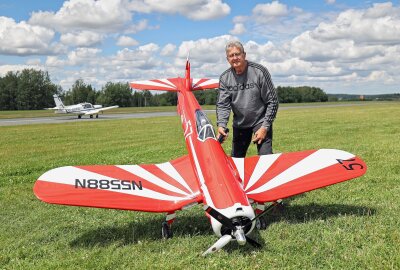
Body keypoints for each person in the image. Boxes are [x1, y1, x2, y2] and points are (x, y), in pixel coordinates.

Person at [216, 41, 279, 157]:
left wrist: (265, 127)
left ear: (244, 55)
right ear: (227, 59)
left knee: (266, 158)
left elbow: (273, 101)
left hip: (260, 120)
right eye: (231, 56)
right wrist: (221, 125)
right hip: (240, 123)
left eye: (237, 54)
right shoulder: (225, 78)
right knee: (236, 160)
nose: (235, 58)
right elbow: (223, 105)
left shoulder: (259, 71)